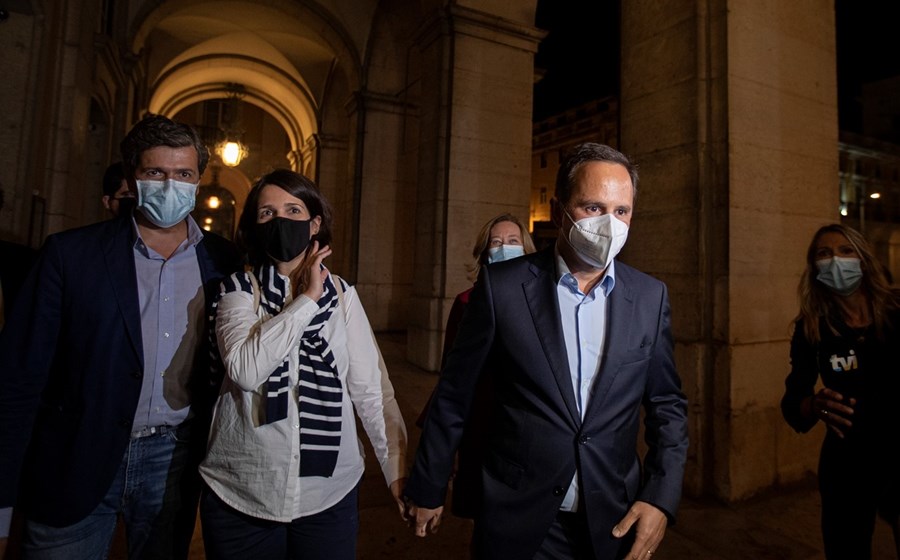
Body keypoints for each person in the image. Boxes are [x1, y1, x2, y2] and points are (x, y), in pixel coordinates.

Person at [404, 142, 689, 560]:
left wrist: (661, 496)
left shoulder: (650, 297)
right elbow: (454, 394)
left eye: (621, 211)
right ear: (559, 211)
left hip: (613, 518)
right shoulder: (502, 289)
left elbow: (667, 404)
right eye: (593, 208)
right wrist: (428, 486)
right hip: (518, 518)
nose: (609, 224)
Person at [0, 113, 241, 559]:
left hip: (174, 462)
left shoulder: (223, 260)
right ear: (134, 177)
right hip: (74, 458)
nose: (171, 185)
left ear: (198, 180)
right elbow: (18, 378)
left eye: (184, 174)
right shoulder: (70, 255)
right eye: (156, 173)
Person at [198, 168, 408, 560]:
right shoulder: (238, 291)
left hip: (329, 495)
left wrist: (396, 467)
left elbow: (370, 391)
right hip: (245, 494)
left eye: (293, 210)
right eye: (267, 213)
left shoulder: (343, 295)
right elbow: (246, 369)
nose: (280, 221)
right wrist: (307, 299)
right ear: (254, 227)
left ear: (315, 225)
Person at [781, 223, 900, 560]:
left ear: (863, 260)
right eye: (824, 253)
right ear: (814, 267)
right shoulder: (811, 328)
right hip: (848, 462)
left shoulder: (896, 309)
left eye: (845, 251)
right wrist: (814, 405)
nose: (835, 260)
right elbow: (793, 404)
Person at [417, 212, 536, 519]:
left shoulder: (544, 302)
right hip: (481, 425)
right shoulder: (468, 302)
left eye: (513, 241)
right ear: (485, 252)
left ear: (526, 249)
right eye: (496, 242)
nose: (504, 247)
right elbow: (451, 382)